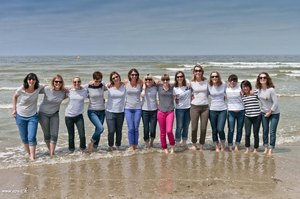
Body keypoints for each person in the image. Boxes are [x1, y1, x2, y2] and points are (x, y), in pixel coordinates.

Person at [12, 73, 44, 160]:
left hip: (33, 116)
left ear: (36, 81)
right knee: (24, 138)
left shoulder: (38, 87)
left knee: (31, 137)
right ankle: (30, 154)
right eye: (29, 79)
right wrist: (14, 109)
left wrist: (64, 88)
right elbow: (14, 97)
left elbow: (50, 86)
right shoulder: (22, 88)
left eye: (33, 79)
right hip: (20, 116)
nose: (31, 81)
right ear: (27, 80)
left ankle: (32, 157)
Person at [38, 74, 67, 157]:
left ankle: (52, 154)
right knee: (47, 135)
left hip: (54, 114)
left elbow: (74, 90)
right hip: (43, 114)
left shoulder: (63, 92)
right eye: (56, 81)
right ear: (53, 82)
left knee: (54, 134)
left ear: (62, 83)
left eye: (60, 82)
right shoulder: (47, 89)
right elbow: (34, 90)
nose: (58, 83)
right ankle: (51, 151)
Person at [256, 72, 280, 155]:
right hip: (263, 112)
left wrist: (270, 112)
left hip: (274, 113)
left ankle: (271, 148)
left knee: (272, 131)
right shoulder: (258, 90)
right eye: (261, 78)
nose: (262, 79)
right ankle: (265, 147)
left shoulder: (271, 90)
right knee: (265, 130)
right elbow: (252, 94)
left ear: (267, 79)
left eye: (264, 77)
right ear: (259, 80)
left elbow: (276, 103)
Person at [65, 76, 88, 152]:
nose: (76, 83)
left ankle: (83, 150)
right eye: (75, 82)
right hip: (68, 116)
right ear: (72, 83)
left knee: (82, 135)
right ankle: (71, 151)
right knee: (71, 136)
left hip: (79, 116)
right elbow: (59, 89)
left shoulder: (84, 91)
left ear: (80, 82)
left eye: (78, 81)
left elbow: (91, 91)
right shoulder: (69, 91)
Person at [86, 71, 107, 152]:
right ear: (93, 79)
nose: (98, 82)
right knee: (100, 128)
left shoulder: (102, 85)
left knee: (97, 130)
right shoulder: (88, 86)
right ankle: (91, 143)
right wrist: (89, 83)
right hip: (92, 111)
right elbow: (80, 88)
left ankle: (95, 148)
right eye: (96, 81)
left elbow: (110, 84)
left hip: (102, 111)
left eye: (100, 81)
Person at [190, 64, 209, 151]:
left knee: (204, 127)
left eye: (199, 71)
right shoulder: (191, 82)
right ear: (193, 72)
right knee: (194, 128)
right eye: (196, 71)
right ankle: (194, 143)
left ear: (202, 72)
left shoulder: (207, 81)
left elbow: (217, 85)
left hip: (205, 107)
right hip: (194, 107)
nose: (198, 72)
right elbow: (181, 87)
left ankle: (201, 145)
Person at [106, 71, 126, 151]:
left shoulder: (124, 86)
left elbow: (137, 81)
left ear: (119, 77)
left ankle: (118, 146)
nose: (115, 79)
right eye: (113, 78)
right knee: (111, 131)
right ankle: (111, 146)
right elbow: (97, 84)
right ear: (111, 80)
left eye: (116, 77)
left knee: (119, 130)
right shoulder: (108, 87)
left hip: (120, 112)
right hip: (110, 111)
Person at [208, 71, 227, 152]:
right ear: (211, 78)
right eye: (212, 77)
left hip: (222, 109)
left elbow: (231, 91)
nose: (214, 78)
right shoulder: (209, 86)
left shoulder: (224, 85)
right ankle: (216, 146)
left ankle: (222, 145)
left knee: (220, 129)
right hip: (212, 110)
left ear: (219, 77)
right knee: (214, 130)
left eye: (216, 76)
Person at [124, 68, 142, 152]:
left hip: (138, 108)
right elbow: (115, 83)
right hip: (128, 108)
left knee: (136, 128)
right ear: (129, 76)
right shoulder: (126, 82)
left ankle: (135, 145)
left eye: (135, 75)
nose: (134, 76)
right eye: (132, 75)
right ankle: (131, 145)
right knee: (130, 128)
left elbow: (150, 82)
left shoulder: (140, 83)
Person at [240, 80, 261, 154]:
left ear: (249, 87)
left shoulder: (255, 93)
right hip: (247, 117)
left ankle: (255, 148)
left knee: (256, 133)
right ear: (242, 88)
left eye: (246, 86)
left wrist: (254, 91)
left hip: (257, 116)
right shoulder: (242, 96)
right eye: (243, 87)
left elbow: (261, 90)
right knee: (247, 133)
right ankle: (247, 148)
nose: (245, 88)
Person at [157, 74, 175, 154]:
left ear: (169, 80)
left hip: (170, 111)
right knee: (162, 131)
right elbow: (146, 82)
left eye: (167, 80)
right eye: (163, 80)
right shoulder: (159, 87)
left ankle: (172, 146)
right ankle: (164, 147)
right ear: (161, 80)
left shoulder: (172, 88)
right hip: (161, 111)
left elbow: (186, 82)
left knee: (169, 131)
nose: (165, 81)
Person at [226, 74, 245, 152]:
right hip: (231, 112)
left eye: (234, 80)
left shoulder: (241, 88)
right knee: (231, 129)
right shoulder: (226, 88)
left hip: (241, 111)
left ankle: (237, 145)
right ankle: (230, 145)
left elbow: (249, 91)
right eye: (231, 80)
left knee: (239, 129)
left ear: (237, 81)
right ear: (229, 81)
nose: (233, 82)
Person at [173, 71, 191, 148]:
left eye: (181, 76)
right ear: (176, 78)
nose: (179, 78)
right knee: (179, 126)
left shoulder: (188, 86)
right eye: (178, 77)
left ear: (183, 77)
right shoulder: (174, 88)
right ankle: (177, 141)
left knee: (186, 126)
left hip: (189, 108)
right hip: (179, 109)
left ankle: (184, 141)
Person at [141, 74, 158, 148]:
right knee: (146, 128)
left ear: (152, 80)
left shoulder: (155, 87)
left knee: (153, 129)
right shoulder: (142, 88)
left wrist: (157, 82)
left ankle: (152, 142)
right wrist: (144, 88)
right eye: (146, 79)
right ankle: (147, 142)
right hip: (144, 111)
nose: (148, 81)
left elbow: (163, 82)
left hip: (154, 110)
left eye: (150, 79)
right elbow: (142, 95)